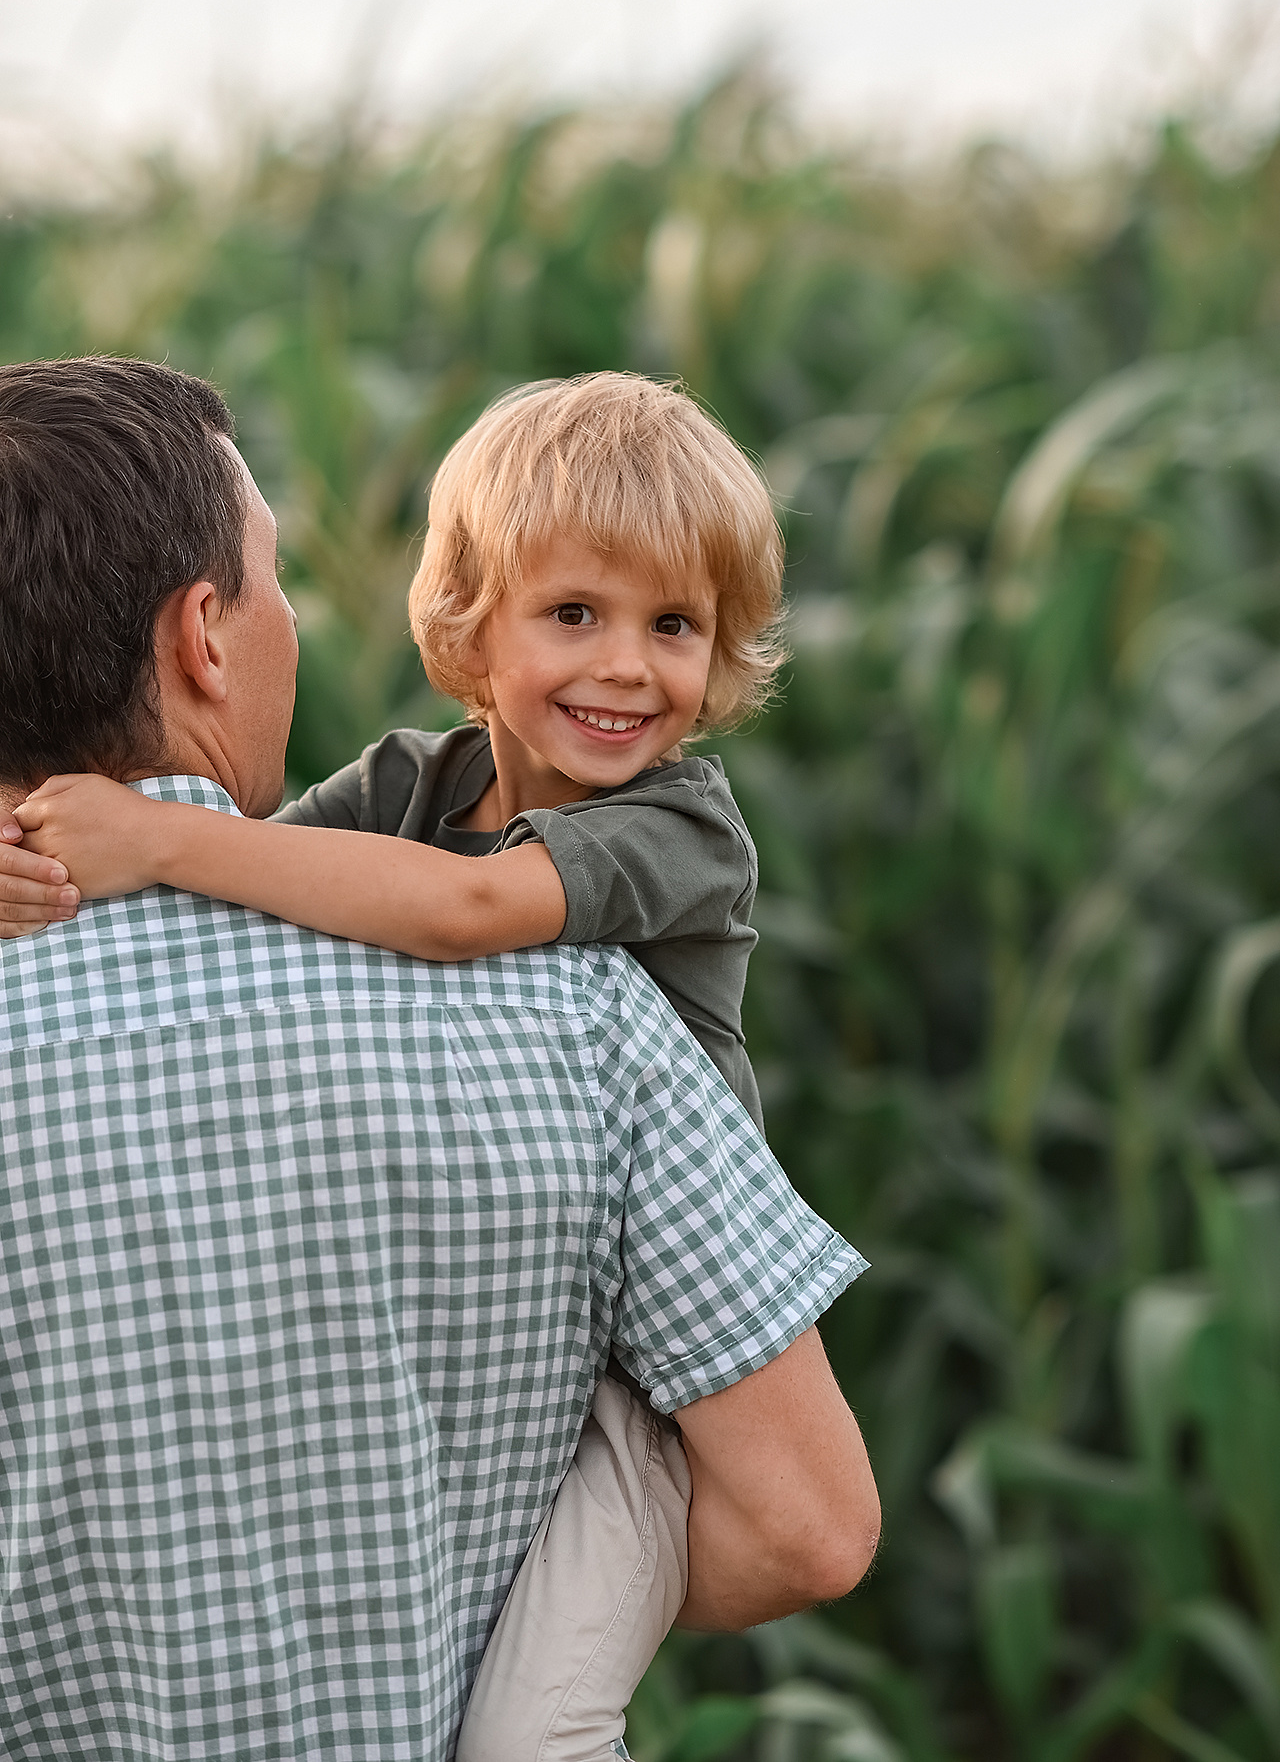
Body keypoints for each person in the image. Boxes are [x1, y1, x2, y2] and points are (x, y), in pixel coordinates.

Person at [0, 356, 880, 1762]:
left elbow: (467, 905)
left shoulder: (681, 829)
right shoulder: (459, 851)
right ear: (204, 639)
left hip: (656, 1382)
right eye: (576, 612)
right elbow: (810, 1526)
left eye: (675, 625)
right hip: (658, 1328)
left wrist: (141, 838)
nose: (626, 663)